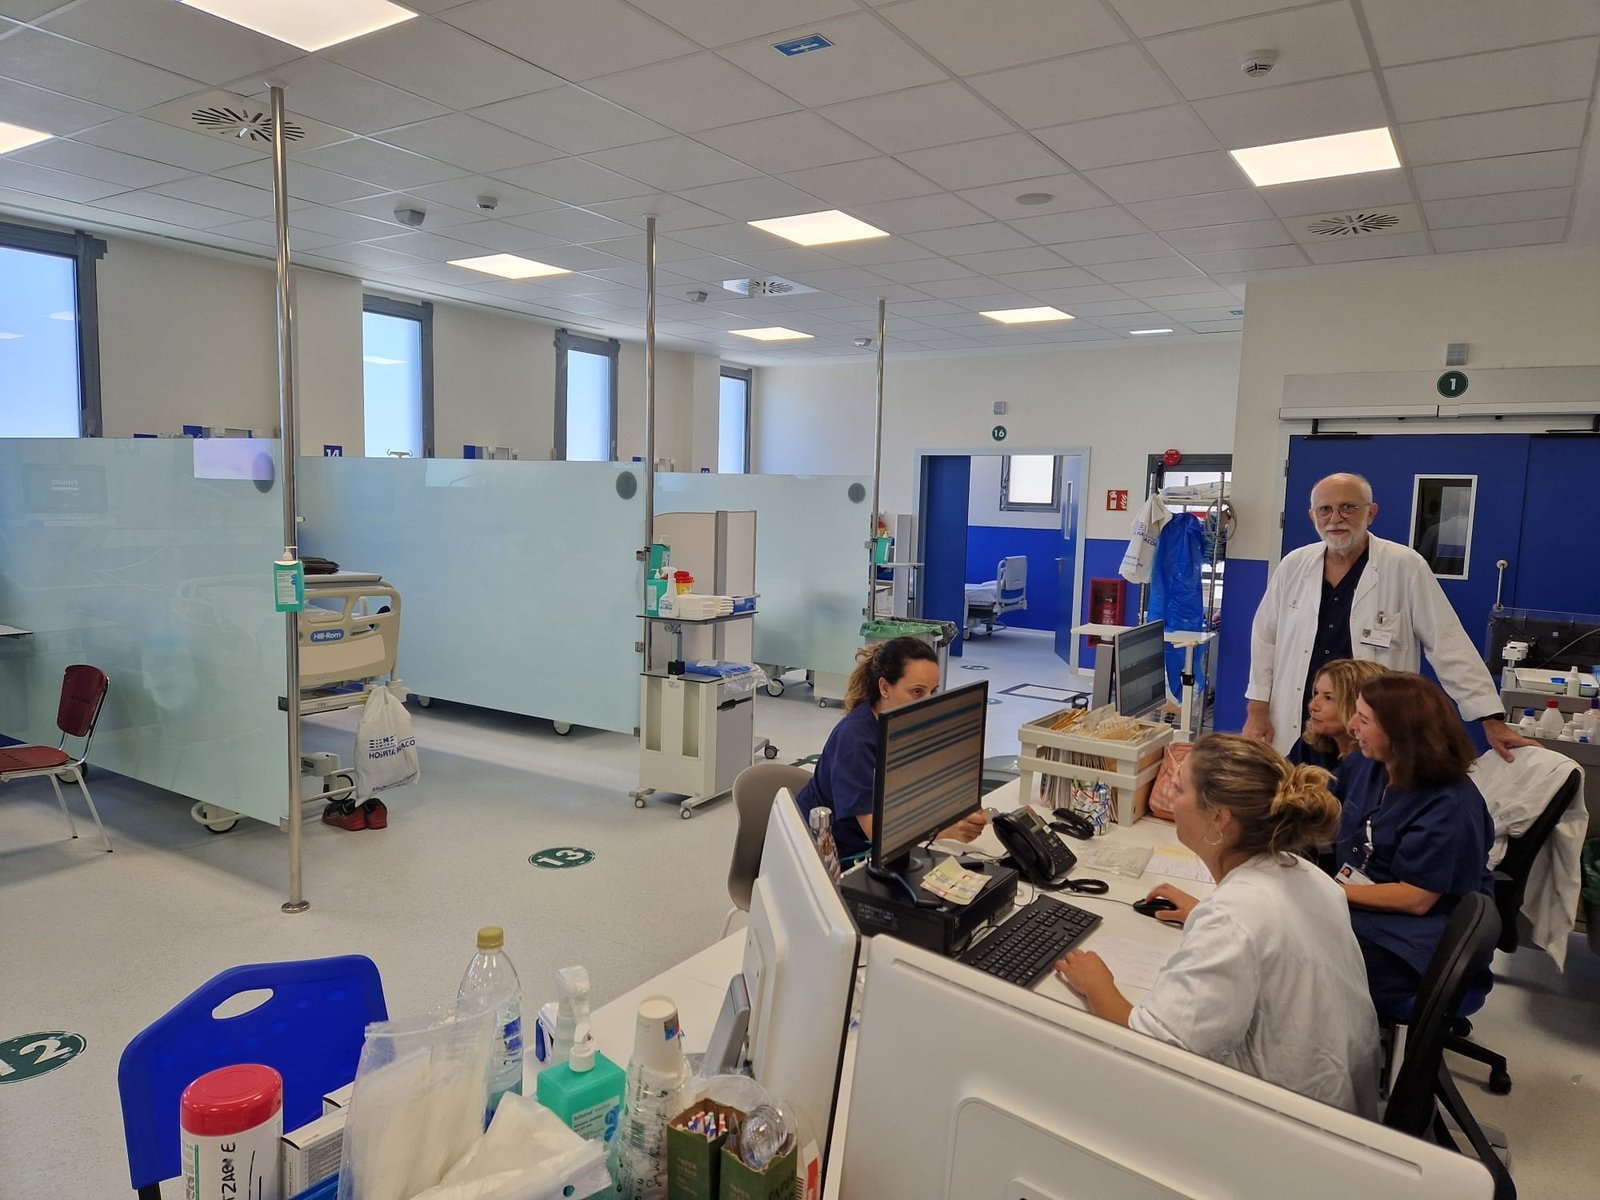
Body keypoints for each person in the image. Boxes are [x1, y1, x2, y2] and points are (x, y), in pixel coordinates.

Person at [1054, 735, 1381, 1117]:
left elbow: (1154, 1046)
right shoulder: (1307, 875)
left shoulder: (1233, 918)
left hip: (1285, 1121)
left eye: (1180, 790)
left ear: (1219, 818)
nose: (1171, 799)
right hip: (1339, 1104)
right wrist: (1205, 912)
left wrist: (1097, 984)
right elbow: (1266, 936)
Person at [1243, 472, 1532, 763]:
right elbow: (1265, 640)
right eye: (1325, 510)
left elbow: (1448, 644)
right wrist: (1257, 711)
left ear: (1371, 513)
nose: (1336, 518)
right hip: (1304, 722)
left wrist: (1490, 718)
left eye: (1348, 507)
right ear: (1312, 516)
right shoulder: (1294, 565)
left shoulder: (1405, 566)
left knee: (1368, 787)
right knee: (1299, 789)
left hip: (1374, 727)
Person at [1332, 673, 1495, 1017]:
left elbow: (1416, 898)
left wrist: (1326, 891)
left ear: (1400, 734)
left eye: (1363, 719)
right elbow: (1328, 813)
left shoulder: (1451, 805)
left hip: (1412, 939)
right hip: (1359, 908)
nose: (1351, 726)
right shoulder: (1367, 765)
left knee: (1300, 953)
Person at [792, 637, 986, 863]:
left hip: (871, 851)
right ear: (884, 687)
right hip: (824, 857)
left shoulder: (909, 725)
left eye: (933, 692)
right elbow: (877, 832)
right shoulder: (855, 741)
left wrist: (961, 809)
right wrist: (946, 830)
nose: (928, 702)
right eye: (917, 692)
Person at [1286, 658, 1389, 770]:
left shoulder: (1379, 759)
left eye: (1328, 698)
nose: (1312, 705)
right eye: (1316, 693)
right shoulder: (1310, 743)